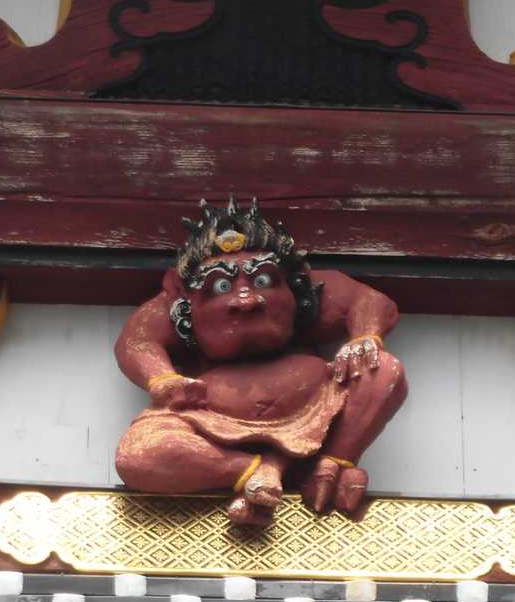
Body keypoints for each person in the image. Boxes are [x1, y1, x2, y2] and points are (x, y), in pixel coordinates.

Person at [115, 198, 407, 525]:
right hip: (213, 422)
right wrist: (162, 379)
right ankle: (255, 472)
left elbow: (371, 301)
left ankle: (331, 463)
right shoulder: (175, 306)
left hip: (317, 410)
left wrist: (364, 337)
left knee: (381, 369)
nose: (247, 301)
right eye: (222, 286)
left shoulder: (312, 293)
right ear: (183, 295)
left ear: (294, 282)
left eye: (263, 281)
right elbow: (137, 340)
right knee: (139, 453)